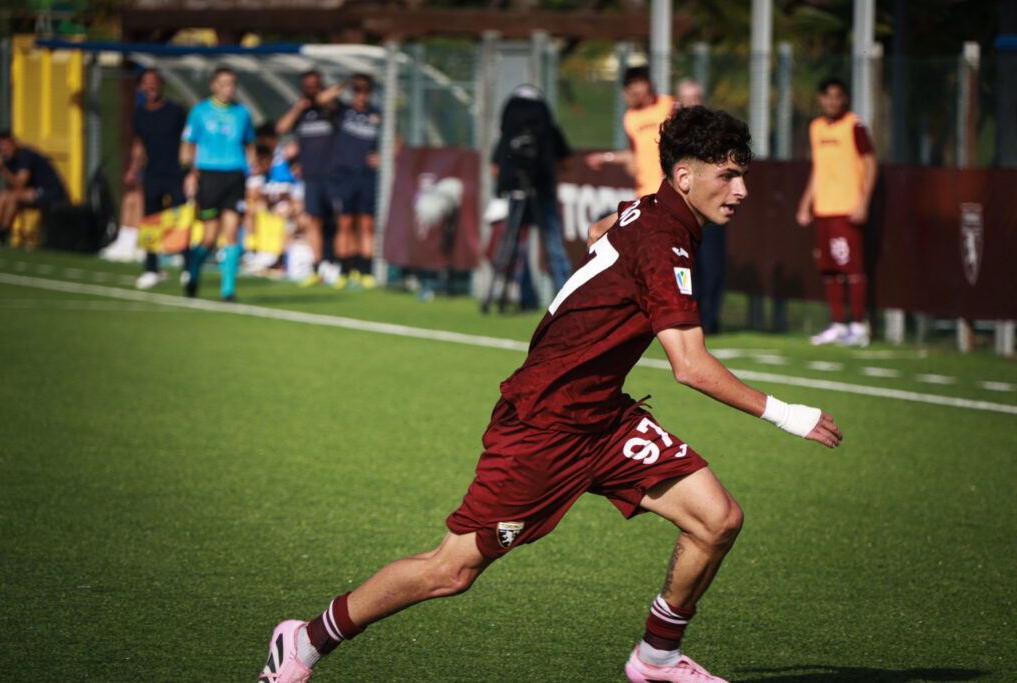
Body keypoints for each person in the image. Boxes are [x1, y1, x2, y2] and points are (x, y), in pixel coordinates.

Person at [257, 106, 843, 683]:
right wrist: (787, 414)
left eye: (743, 175)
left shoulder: (652, 211)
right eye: (729, 175)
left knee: (717, 519)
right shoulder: (665, 241)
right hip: (543, 425)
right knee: (452, 570)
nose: (741, 190)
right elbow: (690, 367)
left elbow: (598, 232)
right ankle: (304, 641)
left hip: (603, 418)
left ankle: (656, 660)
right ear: (684, 177)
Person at [796, 76, 877, 347]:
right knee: (829, 269)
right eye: (827, 96)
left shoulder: (854, 126)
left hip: (847, 208)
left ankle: (858, 326)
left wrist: (864, 202)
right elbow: (818, 170)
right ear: (821, 99)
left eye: (837, 96)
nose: (832, 101)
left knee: (851, 268)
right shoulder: (816, 127)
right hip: (824, 210)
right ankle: (839, 325)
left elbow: (870, 163)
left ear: (845, 99)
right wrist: (806, 204)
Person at [491, 84, 573, 309]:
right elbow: (566, 160)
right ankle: (564, 297)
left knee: (520, 245)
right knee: (550, 243)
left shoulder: (510, 135)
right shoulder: (547, 130)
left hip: (525, 192)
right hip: (538, 190)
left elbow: (495, 168)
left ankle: (532, 297)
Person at [180, 66, 256, 301]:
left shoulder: (242, 113)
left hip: (234, 176)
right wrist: (189, 173)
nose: (229, 88)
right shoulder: (200, 111)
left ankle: (228, 291)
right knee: (210, 237)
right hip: (209, 176)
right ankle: (193, 272)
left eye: (232, 83)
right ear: (213, 85)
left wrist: (252, 173)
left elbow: (250, 144)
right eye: (224, 83)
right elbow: (187, 144)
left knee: (232, 231)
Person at [276, 69, 345, 287]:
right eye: (308, 85)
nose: (312, 89)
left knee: (337, 220)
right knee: (313, 220)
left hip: (333, 174)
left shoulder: (332, 109)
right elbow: (281, 127)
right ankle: (317, 267)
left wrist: (322, 100)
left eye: (315, 85)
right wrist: (298, 107)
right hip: (311, 177)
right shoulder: (302, 111)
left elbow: (336, 100)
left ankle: (338, 264)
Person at [127, 68, 187, 290]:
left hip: (176, 174)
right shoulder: (139, 114)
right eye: (146, 83)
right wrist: (134, 168)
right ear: (141, 87)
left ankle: (188, 268)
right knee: (150, 223)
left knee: (181, 220)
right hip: (152, 174)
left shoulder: (175, 111)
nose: (150, 86)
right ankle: (151, 269)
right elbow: (139, 143)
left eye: (154, 82)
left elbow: (188, 140)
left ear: (161, 84)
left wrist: (190, 170)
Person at [586, 65, 677, 199]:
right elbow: (635, 154)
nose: (635, 89)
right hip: (645, 192)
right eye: (631, 85)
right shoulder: (630, 117)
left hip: (670, 188)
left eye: (638, 83)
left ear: (649, 83)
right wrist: (606, 157)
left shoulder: (668, 105)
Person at [677, 79, 724, 335]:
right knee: (686, 265)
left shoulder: (717, 132)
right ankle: (688, 315)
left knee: (713, 265)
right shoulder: (674, 134)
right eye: (687, 99)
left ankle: (710, 319)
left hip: (710, 208)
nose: (692, 104)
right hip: (684, 210)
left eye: (696, 98)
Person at [328, 73, 382, 290]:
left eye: (366, 90)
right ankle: (344, 270)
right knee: (345, 223)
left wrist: (383, 157)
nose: (362, 95)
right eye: (358, 90)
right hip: (344, 174)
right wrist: (348, 82)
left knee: (366, 223)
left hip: (366, 176)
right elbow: (322, 99)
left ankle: (365, 271)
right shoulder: (343, 111)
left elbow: (395, 142)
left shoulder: (377, 115)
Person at [0, 131, 67, 248]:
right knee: (3, 195)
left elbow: (19, 185)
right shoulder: (7, 159)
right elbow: (12, 186)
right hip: (31, 191)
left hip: (50, 192)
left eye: (7, 148)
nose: (5, 152)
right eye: (2, 149)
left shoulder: (25, 156)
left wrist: (1, 168)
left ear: (14, 144)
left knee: (13, 196)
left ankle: (1, 235)